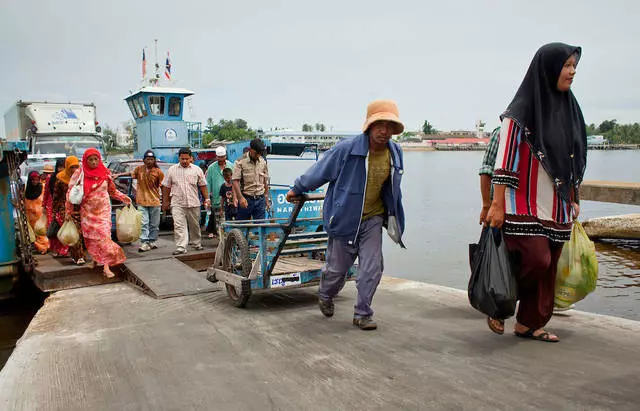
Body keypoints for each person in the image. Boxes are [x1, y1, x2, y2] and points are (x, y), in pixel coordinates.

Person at [485, 43, 587, 342]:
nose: (572, 71)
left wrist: (574, 197)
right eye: (566, 65)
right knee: (536, 259)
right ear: (548, 68)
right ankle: (500, 298)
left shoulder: (570, 110)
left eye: (573, 66)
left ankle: (529, 323)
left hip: (557, 205)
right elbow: (503, 161)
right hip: (522, 203)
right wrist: (496, 203)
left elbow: (572, 158)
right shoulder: (520, 112)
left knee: (549, 266)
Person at [285, 100, 406, 330]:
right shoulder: (347, 149)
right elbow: (319, 172)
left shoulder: (395, 152)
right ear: (369, 126)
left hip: (373, 218)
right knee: (336, 271)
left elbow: (392, 188)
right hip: (344, 218)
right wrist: (298, 188)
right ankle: (326, 294)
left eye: (389, 125)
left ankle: (362, 313)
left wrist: (393, 216)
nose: (384, 131)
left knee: (372, 267)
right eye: (379, 124)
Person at [67, 149, 131, 278]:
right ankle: (95, 260)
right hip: (87, 211)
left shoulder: (105, 173)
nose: (93, 162)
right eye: (90, 159)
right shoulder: (80, 173)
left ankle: (106, 267)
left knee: (104, 237)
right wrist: (68, 210)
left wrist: (124, 198)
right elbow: (70, 191)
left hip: (103, 211)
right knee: (91, 239)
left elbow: (112, 191)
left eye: (96, 159)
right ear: (85, 160)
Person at [162, 147, 210, 255]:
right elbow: (166, 186)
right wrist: (165, 201)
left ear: (191, 158)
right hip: (177, 202)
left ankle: (196, 243)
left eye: (186, 159)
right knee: (179, 225)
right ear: (179, 158)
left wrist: (207, 199)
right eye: (182, 159)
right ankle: (181, 247)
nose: (184, 161)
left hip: (193, 202)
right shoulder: (172, 170)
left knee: (194, 225)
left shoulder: (197, 170)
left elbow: (203, 185)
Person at [49, 156, 85, 264]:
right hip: (65, 209)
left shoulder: (81, 177)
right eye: (71, 167)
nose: (74, 170)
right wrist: (55, 212)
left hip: (80, 208)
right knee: (74, 232)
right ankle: (78, 257)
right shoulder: (60, 178)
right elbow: (56, 196)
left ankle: (79, 255)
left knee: (81, 233)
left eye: (76, 167)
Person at [130, 150, 165, 252]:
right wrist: (118, 175)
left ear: (154, 160)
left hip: (154, 201)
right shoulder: (139, 169)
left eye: (151, 159)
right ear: (144, 160)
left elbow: (163, 186)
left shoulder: (158, 172)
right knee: (143, 223)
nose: (149, 161)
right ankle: (144, 242)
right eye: (147, 159)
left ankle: (152, 241)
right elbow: (131, 174)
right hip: (141, 200)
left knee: (154, 224)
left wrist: (165, 200)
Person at [232, 139, 270, 221]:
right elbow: (235, 181)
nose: (258, 156)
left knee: (261, 227)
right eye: (256, 153)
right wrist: (240, 198)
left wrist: (266, 198)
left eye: (260, 154)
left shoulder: (263, 162)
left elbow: (265, 181)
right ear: (250, 149)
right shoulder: (240, 162)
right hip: (246, 199)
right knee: (242, 227)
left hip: (260, 199)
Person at [205, 146, 234, 237]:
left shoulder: (231, 165)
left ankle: (228, 236)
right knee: (216, 218)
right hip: (216, 197)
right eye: (219, 157)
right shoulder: (211, 168)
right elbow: (208, 183)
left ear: (225, 156)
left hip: (229, 198)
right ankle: (218, 235)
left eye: (223, 157)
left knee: (228, 218)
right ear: (216, 157)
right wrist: (208, 198)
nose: (221, 159)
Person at [24, 171, 49, 254]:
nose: (35, 182)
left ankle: (44, 247)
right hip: (30, 216)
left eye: (37, 180)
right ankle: (40, 248)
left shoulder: (42, 188)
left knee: (41, 233)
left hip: (40, 215)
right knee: (34, 234)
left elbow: (45, 199)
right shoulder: (26, 190)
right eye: (33, 180)